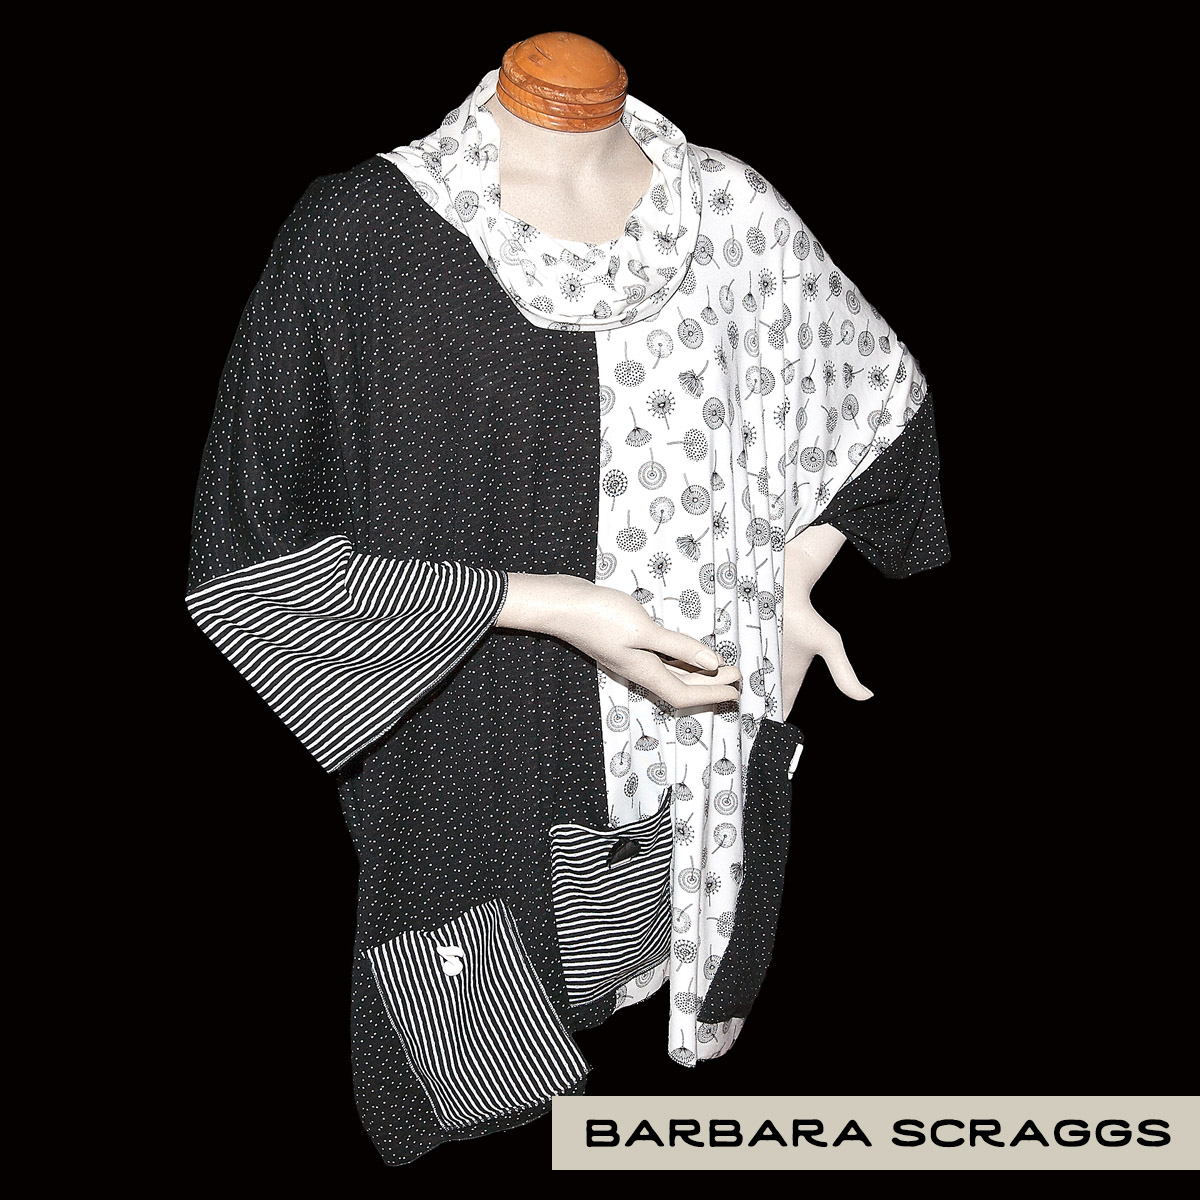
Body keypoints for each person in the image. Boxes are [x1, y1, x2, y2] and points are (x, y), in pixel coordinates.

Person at [186, 31, 949, 1166]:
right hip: (482, 757)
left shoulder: (732, 214)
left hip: (697, 753)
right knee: (493, 1071)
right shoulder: (367, 231)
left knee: (665, 998)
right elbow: (246, 562)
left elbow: (880, 405)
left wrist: (793, 579)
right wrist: (552, 604)